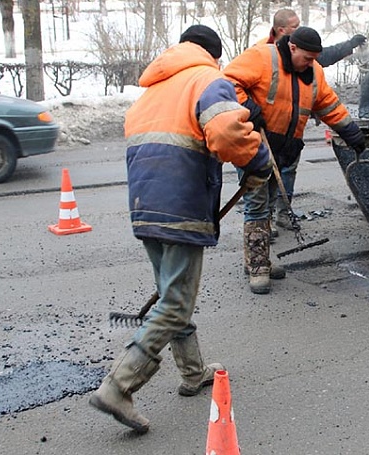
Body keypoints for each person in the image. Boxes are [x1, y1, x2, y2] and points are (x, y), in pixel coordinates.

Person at [88, 25, 272, 433]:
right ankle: (119, 385)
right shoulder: (207, 79)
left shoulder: (154, 90)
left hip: (145, 206)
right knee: (175, 304)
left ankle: (193, 372)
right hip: (181, 205)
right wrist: (257, 163)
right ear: (213, 55)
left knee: (173, 295)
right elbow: (226, 132)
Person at [224, 26, 367, 294]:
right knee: (257, 204)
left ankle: (259, 257)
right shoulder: (262, 57)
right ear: (292, 48)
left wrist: (352, 133)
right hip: (255, 143)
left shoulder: (314, 73)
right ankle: (257, 268)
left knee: (268, 203)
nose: (311, 63)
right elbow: (227, 82)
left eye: (314, 58)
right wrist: (248, 107)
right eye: (307, 58)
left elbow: (329, 106)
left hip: (285, 149)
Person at [261, 8, 367, 68]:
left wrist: (350, 44)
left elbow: (324, 56)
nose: (299, 28)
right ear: (281, 30)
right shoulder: (261, 51)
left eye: (299, 24)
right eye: (294, 27)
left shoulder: (301, 45)